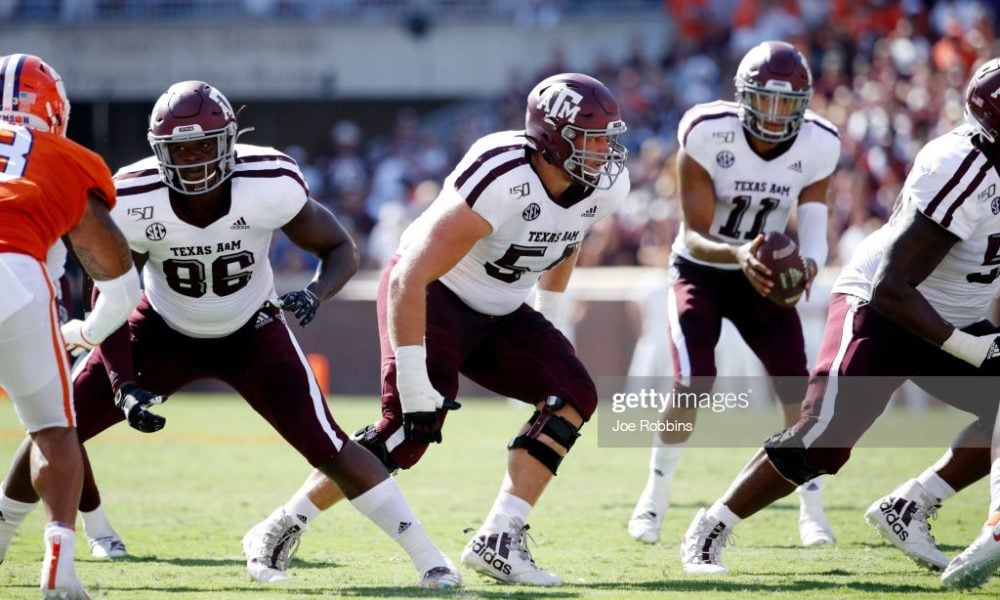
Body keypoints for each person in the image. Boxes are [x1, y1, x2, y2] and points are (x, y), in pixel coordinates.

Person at [0, 80, 461, 589]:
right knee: (54, 429)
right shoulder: (132, 194)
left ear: (230, 141)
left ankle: (428, 558)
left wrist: (314, 292)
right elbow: (111, 290)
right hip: (158, 329)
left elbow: (339, 248)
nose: (194, 161)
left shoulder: (269, 180)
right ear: (158, 152)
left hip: (251, 329)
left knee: (328, 443)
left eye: (204, 146)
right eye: (180, 150)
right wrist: (122, 381)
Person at [238, 72, 629, 586]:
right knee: (407, 433)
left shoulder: (605, 184)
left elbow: (567, 235)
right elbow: (409, 275)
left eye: (607, 137)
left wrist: (549, 315)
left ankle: (500, 538)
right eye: (590, 137)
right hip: (434, 295)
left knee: (574, 393)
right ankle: (283, 522)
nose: (604, 150)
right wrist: (415, 377)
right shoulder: (501, 172)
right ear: (551, 138)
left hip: (504, 309)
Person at [679, 57, 1000, 578]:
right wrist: (972, 347)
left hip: (951, 315)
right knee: (823, 441)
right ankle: (711, 527)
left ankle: (912, 505)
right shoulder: (963, 167)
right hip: (883, 309)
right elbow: (892, 286)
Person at [626, 40, 840, 547]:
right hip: (702, 268)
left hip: (761, 275)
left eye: (785, 104)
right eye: (763, 101)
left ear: (804, 105)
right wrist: (740, 254)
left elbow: (814, 223)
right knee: (694, 380)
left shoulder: (819, 144)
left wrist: (809, 261)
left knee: (797, 390)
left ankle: (811, 507)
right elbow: (695, 233)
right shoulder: (706, 131)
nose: (772, 115)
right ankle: (654, 497)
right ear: (742, 97)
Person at [0, 53, 141, 599]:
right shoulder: (68, 158)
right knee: (53, 428)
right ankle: (58, 555)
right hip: (16, 272)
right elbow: (120, 281)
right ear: (53, 108)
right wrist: (85, 332)